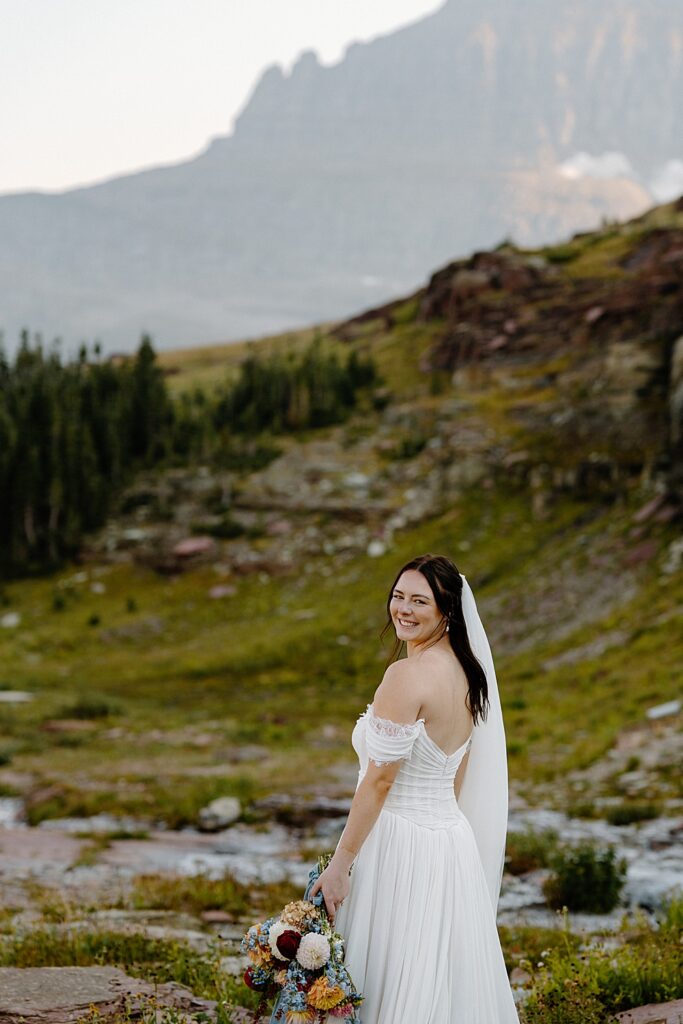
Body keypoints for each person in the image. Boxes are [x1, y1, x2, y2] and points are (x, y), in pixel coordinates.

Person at [310, 553, 519, 1023]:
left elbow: (380, 780)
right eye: (398, 596)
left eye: (419, 600)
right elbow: (459, 771)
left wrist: (341, 865)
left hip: (397, 843)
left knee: (387, 976)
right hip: (449, 844)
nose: (403, 609)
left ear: (446, 610)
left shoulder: (406, 677)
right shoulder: (469, 675)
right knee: (437, 979)